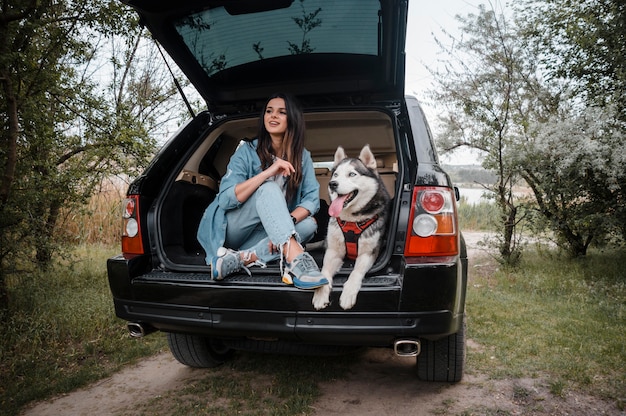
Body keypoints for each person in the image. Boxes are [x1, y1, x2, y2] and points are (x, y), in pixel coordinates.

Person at [197, 92, 328, 290]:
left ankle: (240, 259)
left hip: (265, 233)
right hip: (231, 230)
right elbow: (225, 199)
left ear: (292, 120)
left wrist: (287, 224)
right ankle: (297, 261)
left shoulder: (302, 157)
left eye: (281, 112)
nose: (273, 116)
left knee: (309, 224)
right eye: (269, 111)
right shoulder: (247, 151)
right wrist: (268, 173)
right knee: (268, 188)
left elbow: (312, 201)